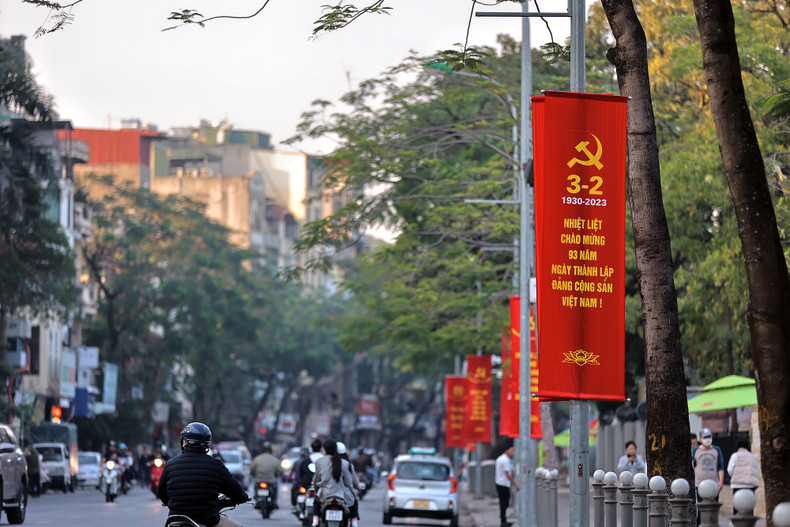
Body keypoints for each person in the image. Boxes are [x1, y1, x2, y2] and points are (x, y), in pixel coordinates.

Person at [158, 422, 249, 527]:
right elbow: (235, 490)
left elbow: (161, 493)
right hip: (208, 521)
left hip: (175, 521)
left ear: (185, 442)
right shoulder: (216, 465)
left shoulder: (170, 465)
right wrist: (243, 497)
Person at [312, 439, 358, 527]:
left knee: (316, 502)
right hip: (342, 495)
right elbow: (348, 482)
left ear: (324, 450)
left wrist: (317, 490)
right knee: (354, 502)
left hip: (325, 494)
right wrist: (353, 492)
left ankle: (315, 521)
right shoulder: (344, 463)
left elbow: (316, 480)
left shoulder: (319, 462)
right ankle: (354, 522)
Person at [727, 438, 760, 514]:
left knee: (737, 507)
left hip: (737, 485)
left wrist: (735, 475)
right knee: (749, 508)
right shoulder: (753, 457)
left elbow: (729, 470)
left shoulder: (735, 456)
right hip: (750, 485)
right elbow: (756, 470)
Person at [692, 428, 724, 501]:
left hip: (713, 483)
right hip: (699, 483)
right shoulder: (695, 450)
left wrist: (721, 481)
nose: (708, 439)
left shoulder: (716, 450)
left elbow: (720, 466)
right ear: (700, 438)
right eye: (705, 437)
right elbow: (693, 465)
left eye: (709, 437)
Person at [250, 442, 282, 508]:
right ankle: (274, 502)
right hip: (271, 481)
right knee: (275, 489)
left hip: (259, 480)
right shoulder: (274, 459)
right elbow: (281, 471)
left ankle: (256, 498)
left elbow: (252, 470)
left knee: (255, 486)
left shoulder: (257, 459)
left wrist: (254, 474)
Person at [494, 441, 519, 527]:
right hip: (503, 484)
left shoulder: (501, 458)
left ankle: (503, 520)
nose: (513, 453)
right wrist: (515, 484)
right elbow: (507, 474)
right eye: (512, 451)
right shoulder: (505, 460)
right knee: (504, 503)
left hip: (500, 483)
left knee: (504, 503)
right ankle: (503, 521)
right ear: (506, 450)